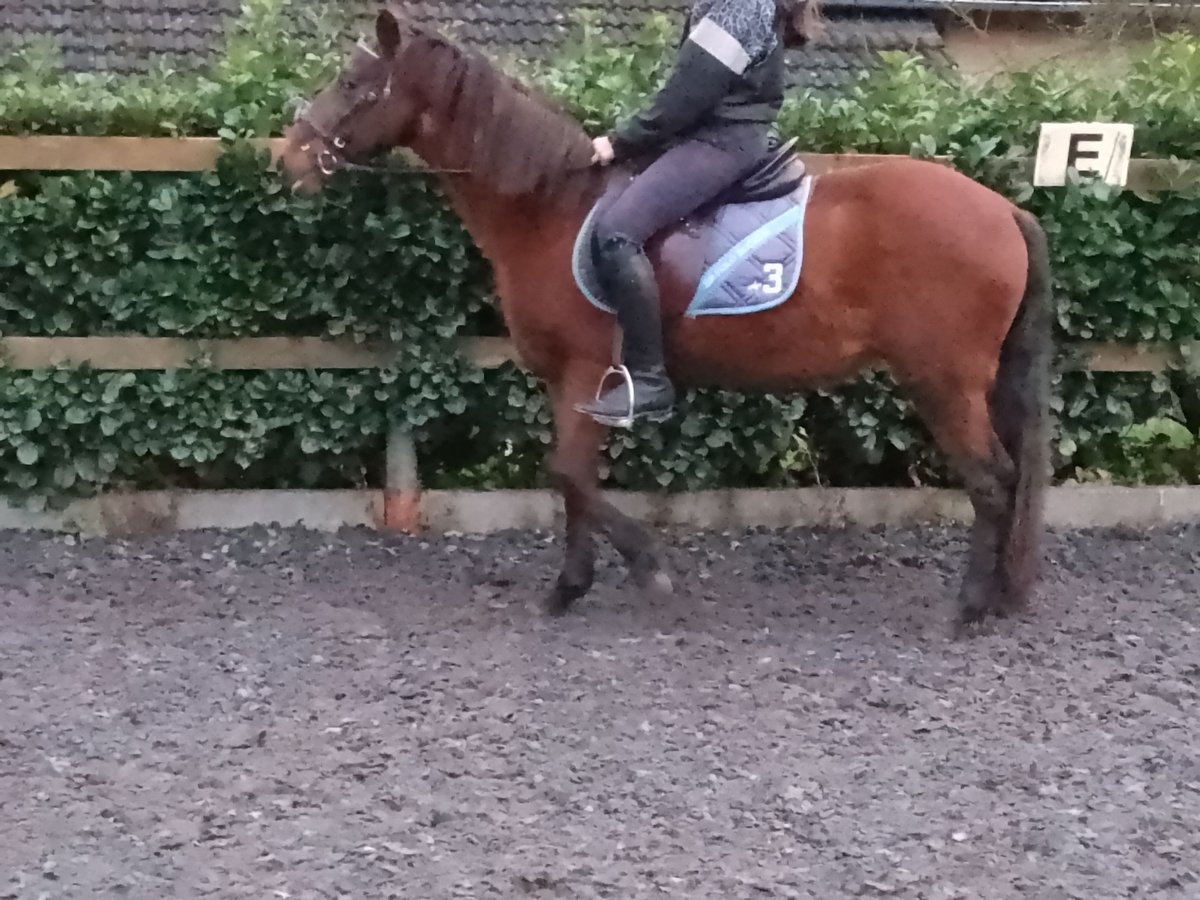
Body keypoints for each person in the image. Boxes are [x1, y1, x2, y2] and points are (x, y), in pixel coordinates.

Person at [575, 0, 793, 427]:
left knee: (617, 233)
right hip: (712, 136)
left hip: (721, 142)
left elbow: (688, 93)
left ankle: (649, 381)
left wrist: (618, 142)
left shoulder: (739, 4)